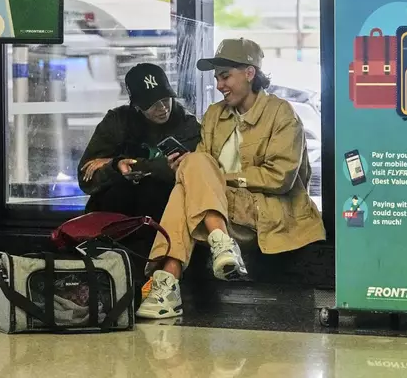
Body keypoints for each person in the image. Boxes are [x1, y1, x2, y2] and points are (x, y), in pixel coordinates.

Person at [137, 38, 326, 319]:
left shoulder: (281, 113)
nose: (219, 85)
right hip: (223, 210)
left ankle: (167, 284)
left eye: (225, 76)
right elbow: (200, 166)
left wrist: (222, 178)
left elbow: (280, 178)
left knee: (188, 183)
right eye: (217, 78)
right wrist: (194, 173)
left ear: (250, 73)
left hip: (266, 214)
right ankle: (220, 243)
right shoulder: (215, 114)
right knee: (191, 168)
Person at [78, 63, 201, 225]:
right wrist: (115, 167)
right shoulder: (117, 121)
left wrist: (116, 162)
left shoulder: (187, 124)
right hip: (118, 211)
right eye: (152, 104)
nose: (163, 108)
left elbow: (180, 171)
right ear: (136, 105)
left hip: (166, 212)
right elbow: (86, 178)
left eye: (166, 99)